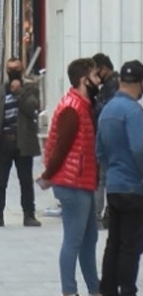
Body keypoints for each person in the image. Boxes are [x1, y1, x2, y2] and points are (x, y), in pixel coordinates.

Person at [39, 58, 101, 296]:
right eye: (95, 76)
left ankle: (94, 288)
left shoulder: (82, 105)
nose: (98, 81)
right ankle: (69, 290)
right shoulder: (72, 108)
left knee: (89, 238)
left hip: (81, 181)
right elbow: (60, 148)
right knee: (75, 240)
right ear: (84, 80)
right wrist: (47, 175)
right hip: (72, 182)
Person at [96, 60, 143, 296]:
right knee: (130, 244)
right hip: (134, 187)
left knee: (113, 241)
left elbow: (100, 151)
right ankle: (127, 289)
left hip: (113, 186)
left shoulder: (107, 110)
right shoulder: (134, 111)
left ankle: (107, 288)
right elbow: (139, 148)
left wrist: (113, 169)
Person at [0, 57, 42, 228]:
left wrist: (19, 93)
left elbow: (33, 109)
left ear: (22, 69)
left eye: (16, 68)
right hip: (4, 142)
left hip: (23, 141)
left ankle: (29, 214)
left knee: (25, 181)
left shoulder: (30, 89)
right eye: (10, 68)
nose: (13, 71)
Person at [92, 52, 120, 229]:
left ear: (104, 69)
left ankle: (102, 214)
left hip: (109, 139)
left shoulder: (113, 87)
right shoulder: (110, 86)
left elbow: (104, 111)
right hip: (107, 138)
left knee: (103, 178)